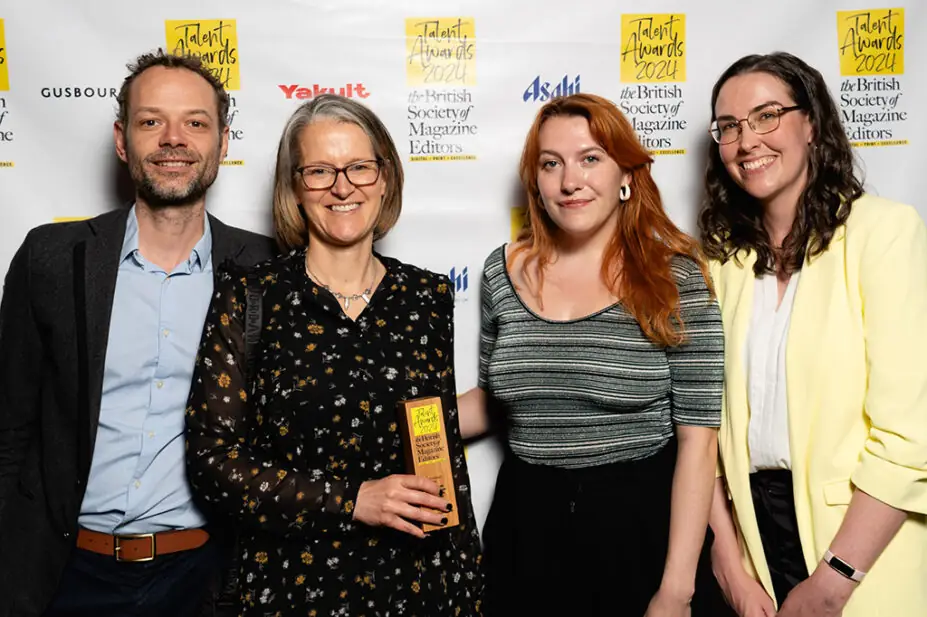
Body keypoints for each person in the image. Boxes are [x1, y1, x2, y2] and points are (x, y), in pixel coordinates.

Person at [184, 93, 484, 617]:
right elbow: (213, 462)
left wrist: (467, 587)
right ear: (294, 188)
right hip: (293, 589)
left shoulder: (427, 297)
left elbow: (439, 453)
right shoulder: (250, 297)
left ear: (385, 178)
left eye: (360, 168)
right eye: (320, 171)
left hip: (416, 588)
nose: (343, 187)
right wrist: (353, 501)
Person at [0, 51, 274, 617]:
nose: (174, 139)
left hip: (205, 578)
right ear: (123, 141)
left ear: (223, 143)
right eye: (152, 122)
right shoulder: (52, 259)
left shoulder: (265, 270)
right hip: (63, 574)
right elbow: (10, 428)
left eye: (196, 123)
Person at [457, 93, 724, 616]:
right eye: (550, 163)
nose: (569, 180)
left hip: (640, 527)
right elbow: (497, 400)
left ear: (626, 172)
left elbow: (699, 442)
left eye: (590, 158)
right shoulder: (501, 271)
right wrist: (390, 422)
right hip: (525, 527)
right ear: (535, 180)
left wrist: (676, 589)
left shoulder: (676, 277)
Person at [701, 52, 927, 617]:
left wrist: (833, 580)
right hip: (753, 543)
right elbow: (698, 426)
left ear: (812, 124)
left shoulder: (884, 233)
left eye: (767, 115)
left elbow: (910, 436)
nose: (746, 139)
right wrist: (729, 565)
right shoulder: (717, 263)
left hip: (862, 544)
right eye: (728, 126)